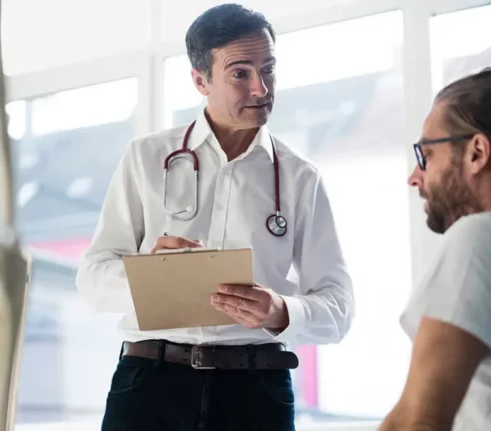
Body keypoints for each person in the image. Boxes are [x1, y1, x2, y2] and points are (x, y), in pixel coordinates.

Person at [76, 4, 354, 430]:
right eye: (240, 73)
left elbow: (339, 305)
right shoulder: (148, 158)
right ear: (200, 80)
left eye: (269, 69)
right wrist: (151, 275)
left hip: (257, 391)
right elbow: (93, 280)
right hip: (150, 384)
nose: (261, 88)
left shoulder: (300, 178)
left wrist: (282, 310)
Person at [379, 68, 491, 431]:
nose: (414, 176)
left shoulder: (484, 239)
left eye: (426, 156)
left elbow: (416, 421)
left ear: (477, 152)